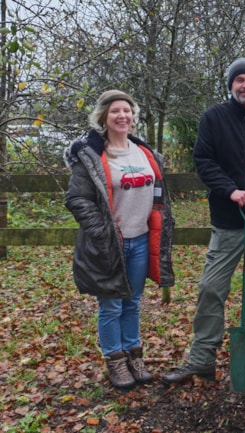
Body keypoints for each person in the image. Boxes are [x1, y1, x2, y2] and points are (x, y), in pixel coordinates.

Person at [162, 58, 245, 384]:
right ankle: (202, 358)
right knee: (211, 287)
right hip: (228, 219)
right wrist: (231, 191)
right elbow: (203, 160)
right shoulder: (214, 118)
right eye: (240, 80)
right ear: (231, 85)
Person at [64, 89, 175, 390]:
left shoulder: (145, 153)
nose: (122, 115)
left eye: (127, 110)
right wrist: (101, 231)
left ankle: (134, 354)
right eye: (115, 111)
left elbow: (159, 195)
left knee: (132, 303)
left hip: (140, 240)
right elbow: (77, 199)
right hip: (108, 243)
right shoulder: (90, 156)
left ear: (133, 116)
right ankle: (115, 360)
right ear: (103, 116)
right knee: (111, 305)